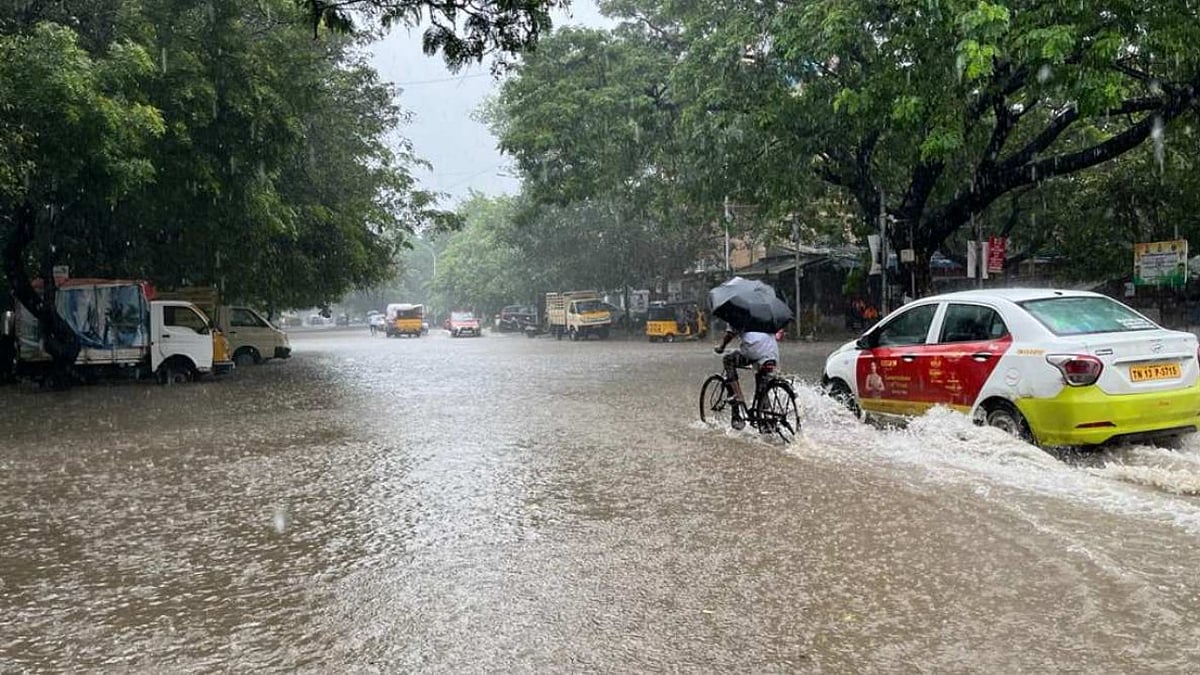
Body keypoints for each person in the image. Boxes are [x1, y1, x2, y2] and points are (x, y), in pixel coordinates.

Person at [714, 326, 781, 430]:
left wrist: (721, 347)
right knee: (762, 384)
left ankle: (737, 396)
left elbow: (730, 334)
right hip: (772, 353)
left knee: (728, 359)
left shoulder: (739, 313)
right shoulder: (766, 315)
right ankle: (765, 415)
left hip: (753, 351)